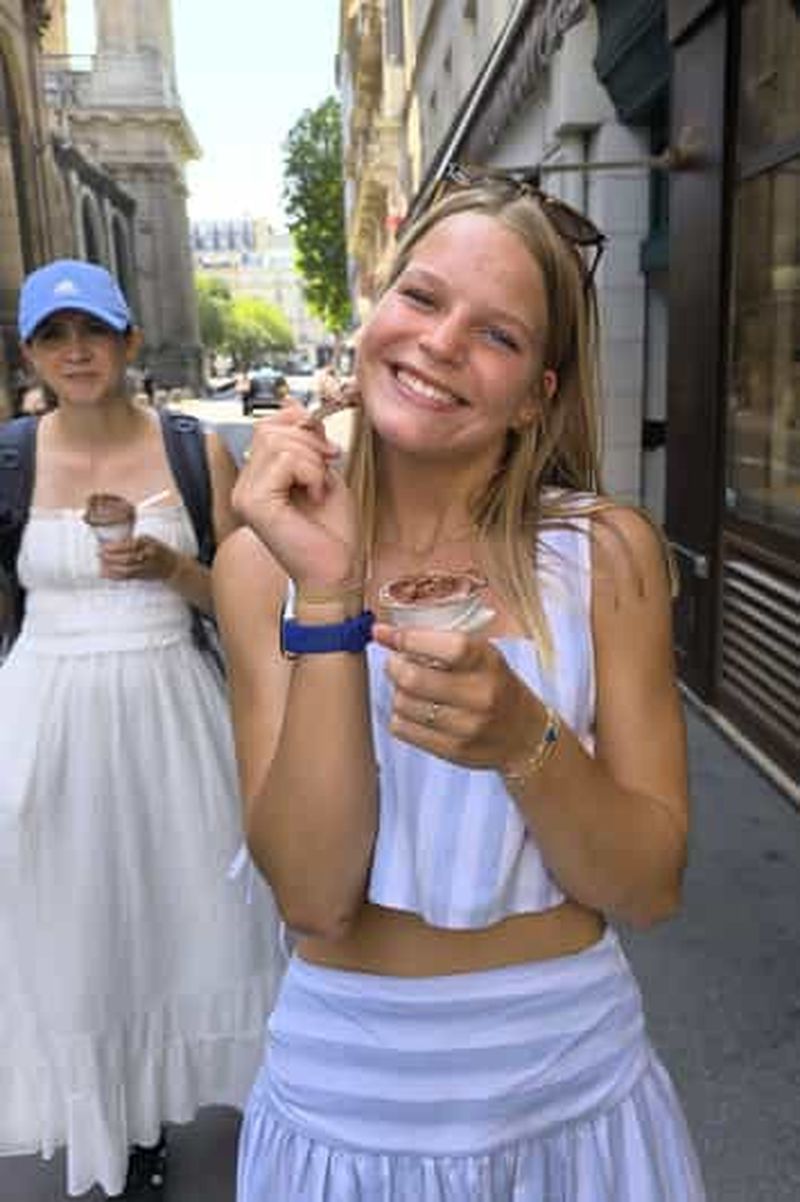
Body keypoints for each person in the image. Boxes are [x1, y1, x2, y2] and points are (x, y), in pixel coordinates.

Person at [214, 168, 707, 1201]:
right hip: (350, 1098)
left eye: (497, 334)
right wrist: (328, 591)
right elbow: (311, 894)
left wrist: (524, 742)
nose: (439, 343)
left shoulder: (601, 554)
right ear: (376, 310)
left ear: (538, 392)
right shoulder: (261, 562)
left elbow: (646, 886)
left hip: (570, 1089)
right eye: (423, 297)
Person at [0, 259, 282, 1199]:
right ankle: (107, 1121)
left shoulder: (196, 451)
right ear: (31, 352)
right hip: (47, 721)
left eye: (92, 332)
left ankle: (165, 1108)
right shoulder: (10, 458)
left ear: (127, 341)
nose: (74, 352)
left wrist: (171, 568)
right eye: (52, 336)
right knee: (73, 926)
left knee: (182, 915)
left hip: (172, 716)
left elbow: (247, 607)